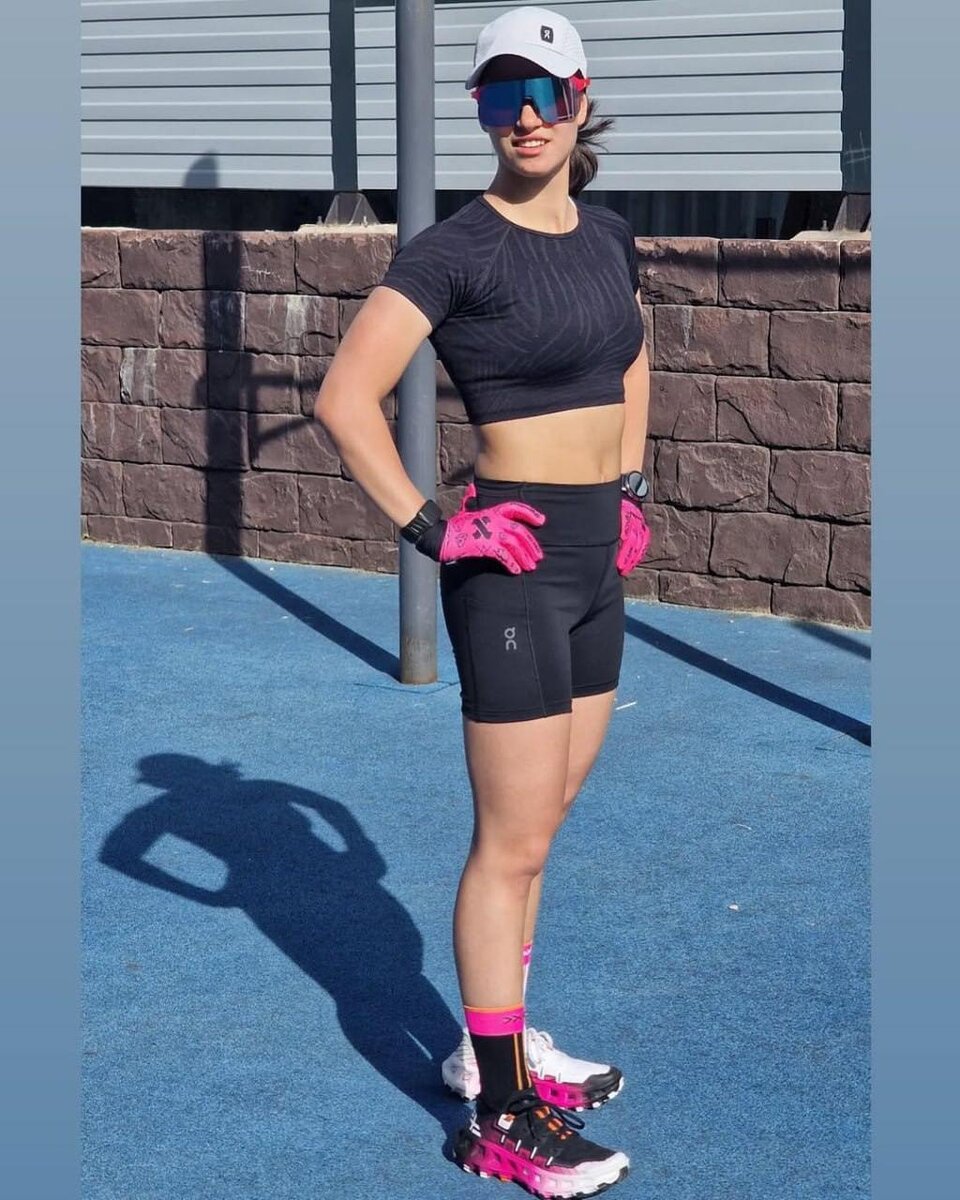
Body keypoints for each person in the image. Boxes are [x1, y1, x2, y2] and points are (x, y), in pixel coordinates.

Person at [312, 7, 650, 1196]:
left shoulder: (608, 235)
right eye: (501, 96)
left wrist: (633, 485)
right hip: (510, 563)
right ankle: (501, 1114)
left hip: (597, 552)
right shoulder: (454, 251)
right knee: (509, 843)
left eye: (544, 94)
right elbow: (344, 397)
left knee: (543, 822)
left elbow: (633, 354)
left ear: (579, 99)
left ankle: (492, 1039)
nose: (526, 117)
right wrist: (431, 526)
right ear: (480, 112)